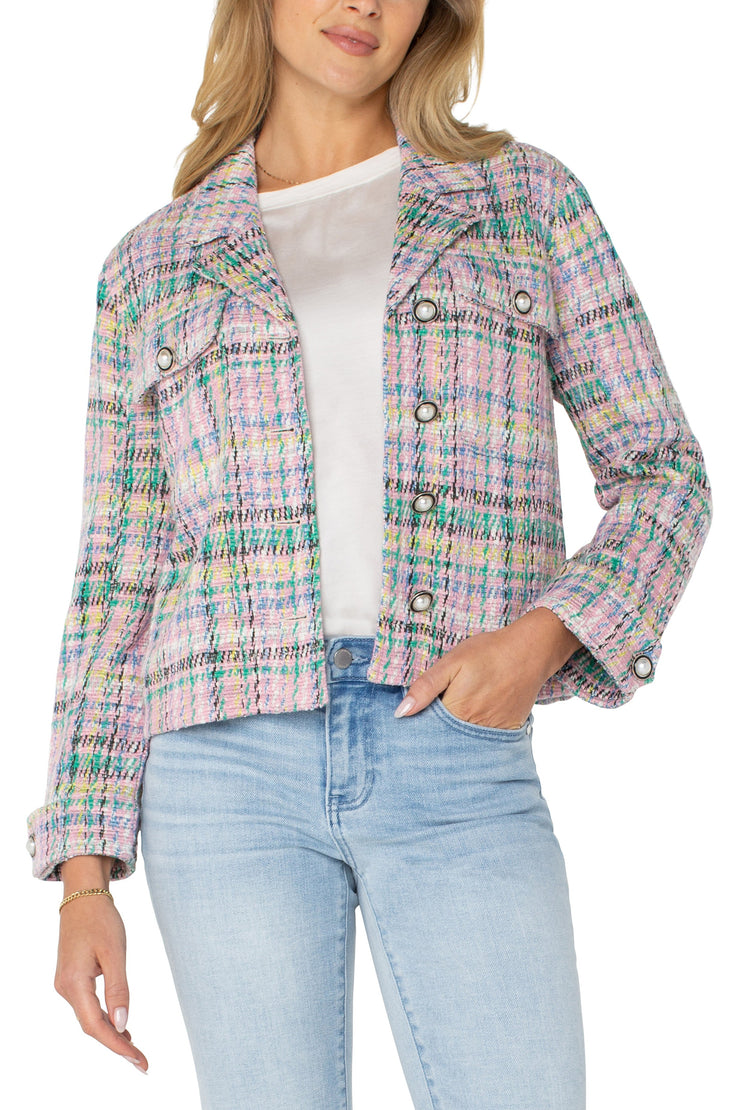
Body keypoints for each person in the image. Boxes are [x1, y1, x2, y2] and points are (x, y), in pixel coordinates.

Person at [25, 0, 712, 1107]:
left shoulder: (522, 201)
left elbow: (662, 472)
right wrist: (84, 877)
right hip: (221, 768)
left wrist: (538, 643)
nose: (364, 4)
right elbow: (119, 577)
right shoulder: (151, 265)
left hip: (453, 744)